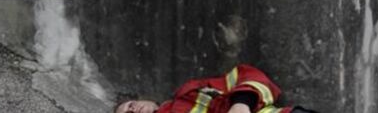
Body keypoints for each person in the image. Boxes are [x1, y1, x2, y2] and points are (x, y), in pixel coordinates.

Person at [113, 64, 319, 113]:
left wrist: (241, 104)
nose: (133, 111)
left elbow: (247, 74)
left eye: (130, 105)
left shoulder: (188, 91)